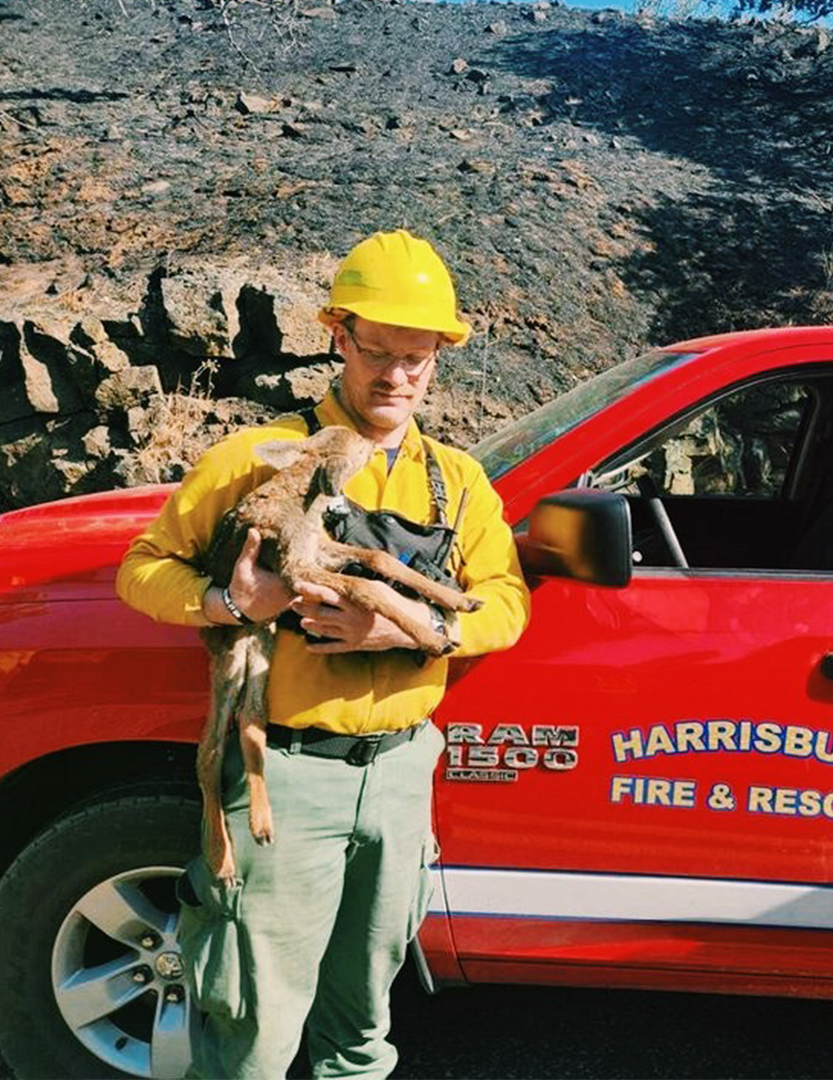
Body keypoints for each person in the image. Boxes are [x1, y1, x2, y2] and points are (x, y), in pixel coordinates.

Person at [115, 229, 530, 1079]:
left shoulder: (457, 481)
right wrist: (233, 602)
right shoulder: (254, 458)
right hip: (286, 779)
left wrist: (418, 631)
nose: (397, 376)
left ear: (440, 355)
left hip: (403, 773)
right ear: (337, 335)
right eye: (377, 351)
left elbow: (507, 605)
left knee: (362, 1036)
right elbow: (141, 569)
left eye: (418, 357)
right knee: (254, 1041)